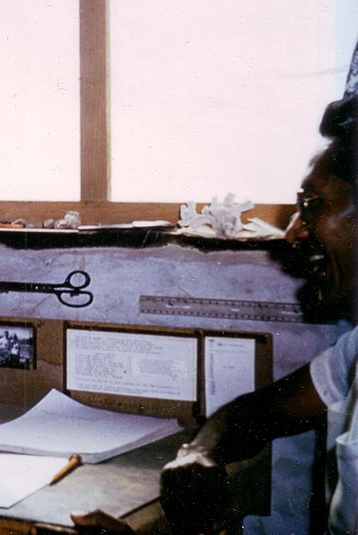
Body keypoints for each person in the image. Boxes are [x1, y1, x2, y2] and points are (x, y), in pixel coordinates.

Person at [160, 94, 358, 534]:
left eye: (312, 206)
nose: (294, 233)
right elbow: (263, 410)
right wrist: (200, 451)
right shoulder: (355, 352)